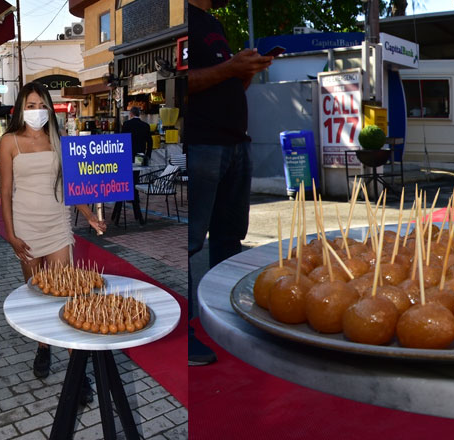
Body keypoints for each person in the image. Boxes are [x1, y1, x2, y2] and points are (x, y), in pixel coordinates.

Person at [0, 82, 107, 405]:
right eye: (30, 105)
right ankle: (43, 347)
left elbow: (71, 182)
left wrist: (89, 216)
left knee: (67, 295)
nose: (36, 111)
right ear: (21, 109)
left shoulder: (58, 139)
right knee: (37, 293)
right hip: (25, 227)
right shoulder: (9, 141)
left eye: (41, 105)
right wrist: (10, 234)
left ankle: (77, 371)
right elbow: (5, 191)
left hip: (57, 223)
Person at [188, 0, 273, 365]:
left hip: (236, 143)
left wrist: (245, 72)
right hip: (202, 144)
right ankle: (185, 335)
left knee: (229, 237)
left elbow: (225, 81)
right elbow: (180, 82)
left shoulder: (214, 23)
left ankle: (225, 319)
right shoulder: (182, 17)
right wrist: (230, 68)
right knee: (190, 242)